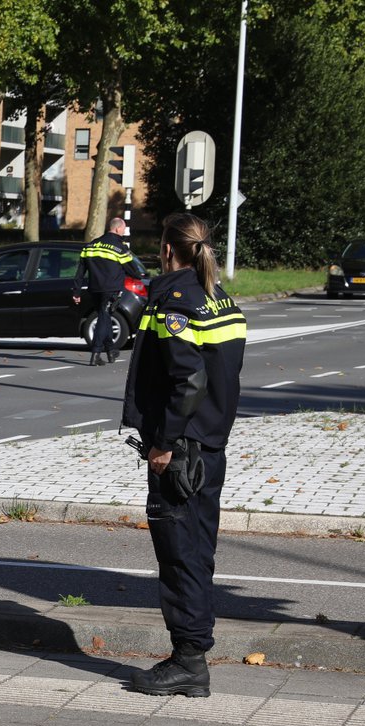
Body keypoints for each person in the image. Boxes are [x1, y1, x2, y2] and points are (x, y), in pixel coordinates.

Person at [121, 212, 247, 698]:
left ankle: (188, 662)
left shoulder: (174, 299)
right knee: (198, 552)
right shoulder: (220, 298)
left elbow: (187, 380)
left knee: (179, 557)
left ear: (168, 250)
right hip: (211, 447)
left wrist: (163, 443)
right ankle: (190, 657)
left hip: (183, 453)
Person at [72, 216, 136, 365]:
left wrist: (76, 292)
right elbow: (132, 271)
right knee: (103, 317)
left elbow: (80, 271)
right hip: (111, 290)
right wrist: (143, 278)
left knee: (104, 316)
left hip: (94, 289)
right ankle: (96, 353)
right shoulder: (120, 248)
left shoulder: (90, 246)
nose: (123, 231)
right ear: (117, 228)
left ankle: (110, 350)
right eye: (123, 229)